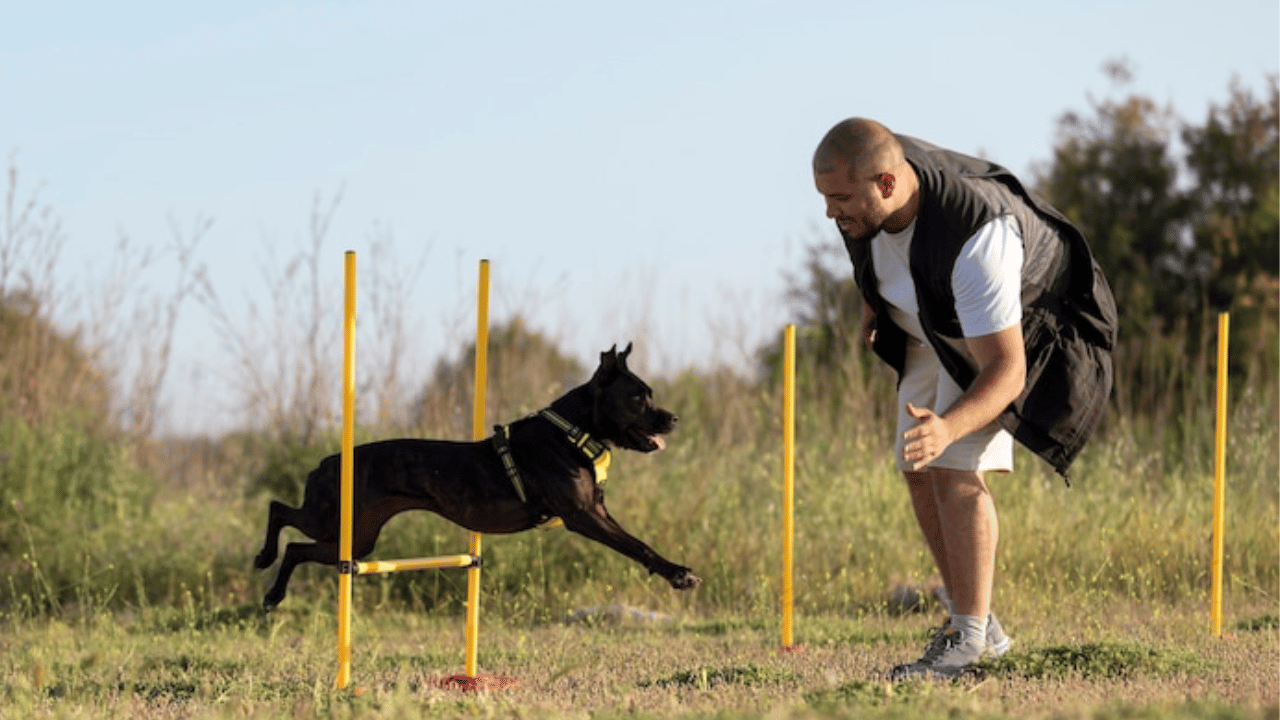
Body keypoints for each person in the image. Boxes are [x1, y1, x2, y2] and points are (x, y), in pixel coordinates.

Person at [812, 118, 1116, 679]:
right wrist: (875, 302)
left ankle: (970, 643)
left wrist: (950, 427)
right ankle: (973, 624)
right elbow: (877, 248)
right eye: (824, 198)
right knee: (916, 463)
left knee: (952, 464)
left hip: (1003, 332)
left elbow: (1005, 372)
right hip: (933, 317)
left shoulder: (978, 238)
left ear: (886, 182)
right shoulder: (864, 194)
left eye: (839, 199)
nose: (831, 212)